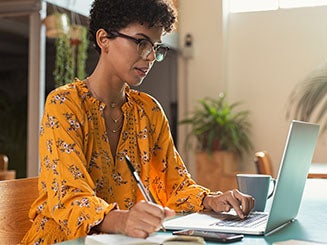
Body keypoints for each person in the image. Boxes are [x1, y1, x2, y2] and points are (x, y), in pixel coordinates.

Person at [22, 0, 254, 244]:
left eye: (155, 46)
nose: (151, 56)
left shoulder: (149, 111)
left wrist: (212, 200)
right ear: (104, 39)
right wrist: (123, 220)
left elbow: (176, 186)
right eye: (142, 43)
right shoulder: (64, 104)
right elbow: (70, 195)